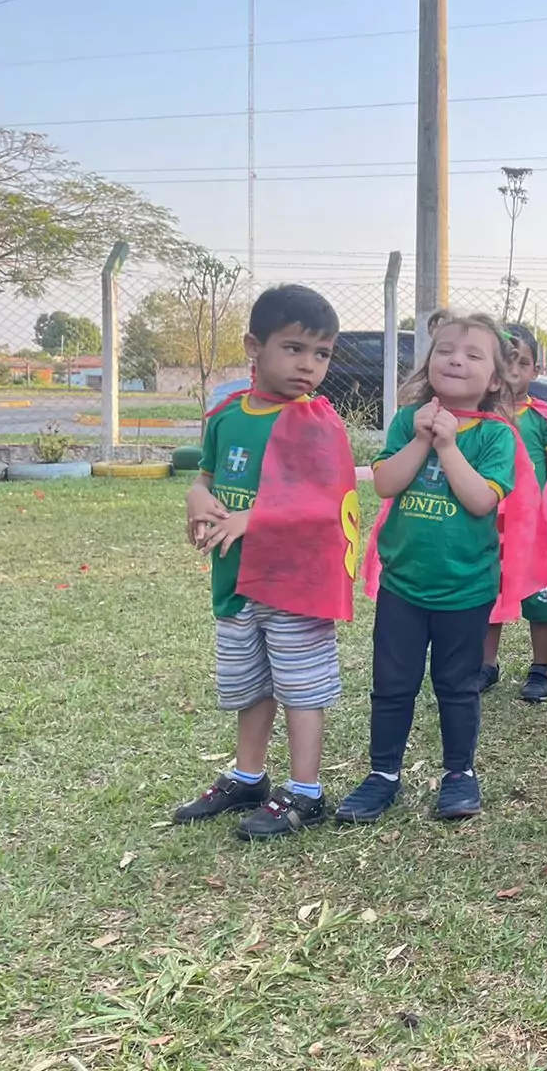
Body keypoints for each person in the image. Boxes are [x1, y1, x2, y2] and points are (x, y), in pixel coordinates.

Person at [175, 284, 349, 840]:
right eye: (294, 348)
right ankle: (248, 777)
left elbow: (329, 499)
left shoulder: (318, 421)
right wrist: (197, 498)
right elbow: (206, 476)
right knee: (250, 685)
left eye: (321, 354)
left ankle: (305, 791)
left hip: (294, 587)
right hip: (236, 583)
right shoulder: (226, 415)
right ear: (255, 345)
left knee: (301, 688)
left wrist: (256, 519)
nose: (308, 365)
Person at [336, 313, 520, 824]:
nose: (456, 360)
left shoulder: (496, 436)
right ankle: (382, 775)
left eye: (473, 355)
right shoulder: (405, 420)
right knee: (392, 684)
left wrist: (447, 444)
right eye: (445, 350)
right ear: (429, 362)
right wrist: (420, 439)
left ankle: (459, 773)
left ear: (495, 380)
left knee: (457, 685)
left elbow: (482, 500)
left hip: (466, 588)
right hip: (403, 585)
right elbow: (387, 485)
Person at [476, 324, 547, 704]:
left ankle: (541, 666)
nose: (514, 370)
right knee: (491, 595)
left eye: (523, 362)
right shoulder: (481, 417)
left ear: (537, 369)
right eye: (507, 361)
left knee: (539, 599)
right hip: (491, 522)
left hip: (533, 525)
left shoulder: (543, 418)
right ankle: (486, 664)